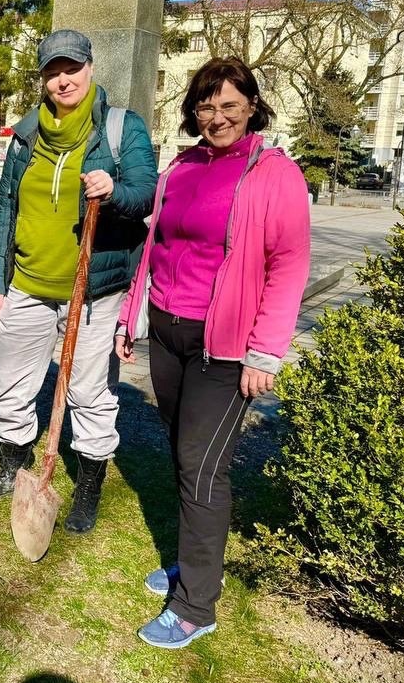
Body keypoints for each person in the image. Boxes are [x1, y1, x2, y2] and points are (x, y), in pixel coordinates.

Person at [115, 56, 310, 649]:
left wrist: (265, 353)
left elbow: (289, 265)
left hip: (225, 347)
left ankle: (197, 605)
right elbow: (157, 245)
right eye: (205, 105)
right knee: (183, 453)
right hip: (170, 334)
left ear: (252, 106)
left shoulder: (273, 173)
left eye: (229, 105)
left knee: (202, 467)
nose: (217, 116)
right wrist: (133, 317)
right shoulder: (181, 166)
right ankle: (189, 562)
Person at [0, 28, 157, 536]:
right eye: (52, 71)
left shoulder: (122, 128)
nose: (62, 79)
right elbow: (6, 208)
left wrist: (113, 188)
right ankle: (12, 468)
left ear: (90, 68)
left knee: (89, 395)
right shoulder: (26, 136)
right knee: (8, 386)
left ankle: (88, 488)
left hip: (95, 291)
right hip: (28, 284)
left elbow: (145, 193)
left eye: (71, 68)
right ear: (42, 78)